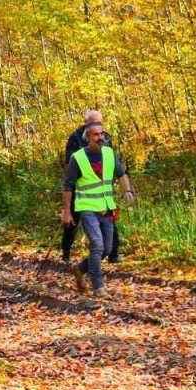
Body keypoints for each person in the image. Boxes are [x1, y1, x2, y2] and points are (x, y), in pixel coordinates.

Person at [61, 120, 135, 297]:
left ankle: (80, 269)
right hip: (87, 208)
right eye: (96, 134)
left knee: (107, 249)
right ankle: (98, 286)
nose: (101, 137)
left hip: (106, 207)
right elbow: (67, 186)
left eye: (102, 134)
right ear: (88, 138)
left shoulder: (110, 153)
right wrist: (67, 212)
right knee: (97, 245)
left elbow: (121, 174)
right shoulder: (77, 158)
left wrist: (127, 190)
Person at [62, 110, 122, 264]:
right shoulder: (75, 138)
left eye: (100, 122)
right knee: (72, 221)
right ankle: (66, 252)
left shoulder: (105, 137)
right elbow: (70, 160)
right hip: (81, 186)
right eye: (93, 122)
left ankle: (113, 254)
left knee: (110, 220)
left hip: (101, 189)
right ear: (86, 123)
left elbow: (112, 158)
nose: (98, 127)